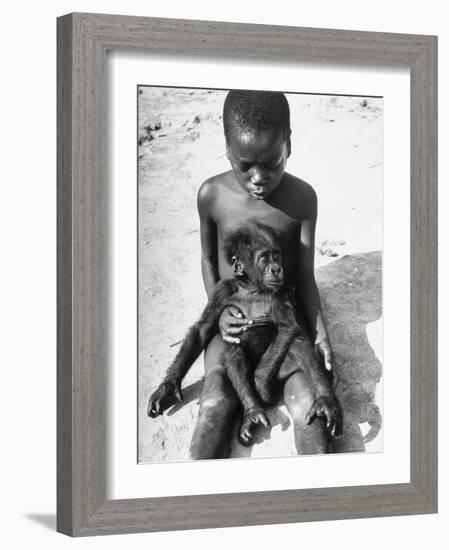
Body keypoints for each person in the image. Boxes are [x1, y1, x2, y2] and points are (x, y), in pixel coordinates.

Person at [189, 89, 337, 459]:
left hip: (282, 328)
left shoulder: (303, 199)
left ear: (289, 143)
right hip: (234, 328)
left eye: (273, 162)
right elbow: (209, 261)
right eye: (245, 165)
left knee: (310, 406)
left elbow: (304, 277)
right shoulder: (212, 195)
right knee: (215, 403)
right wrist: (220, 311)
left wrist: (320, 333)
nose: (259, 177)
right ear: (227, 149)